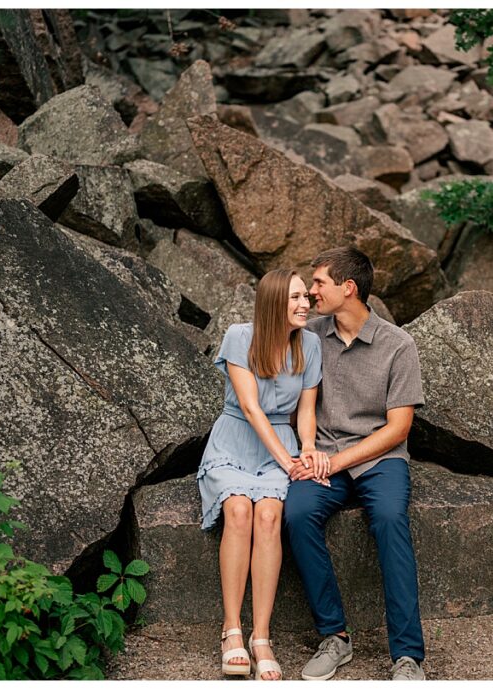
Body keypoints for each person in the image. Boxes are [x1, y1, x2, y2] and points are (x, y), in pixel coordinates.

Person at [284, 247, 427, 681]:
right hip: (322, 451)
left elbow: (398, 428)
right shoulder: (310, 336)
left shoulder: (398, 346)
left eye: (319, 284)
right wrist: (309, 454)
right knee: (297, 513)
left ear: (349, 288)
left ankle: (407, 656)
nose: (311, 293)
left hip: (378, 459)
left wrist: (336, 460)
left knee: (388, 518)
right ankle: (335, 637)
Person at [197, 268, 327, 681]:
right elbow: (252, 409)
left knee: (269, 516)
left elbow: (305, 409)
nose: (305, 304)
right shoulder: (239, 336)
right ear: (274, 301)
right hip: (235, 441)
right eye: (296, 297)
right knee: (238, 511)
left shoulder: (309, 344)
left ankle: (262, 637)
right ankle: (231, 630)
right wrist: (289, 464)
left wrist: (306, 449)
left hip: (282, 445)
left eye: (306, 296)